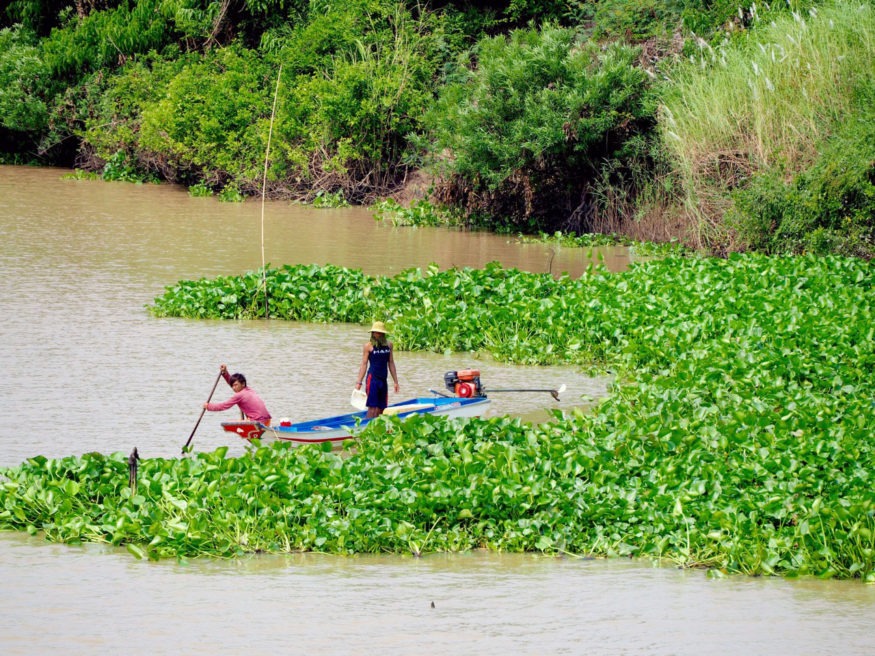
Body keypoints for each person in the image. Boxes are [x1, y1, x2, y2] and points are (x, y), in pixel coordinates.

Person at [355, 321, 399, 418]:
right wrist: (359, 382)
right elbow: (364, 364)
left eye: (379, 333)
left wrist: (396, 381)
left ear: (383, 334)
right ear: (372, 333)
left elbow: (391, 363)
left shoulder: (389, 345)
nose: (377, 335)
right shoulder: (368, 346)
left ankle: (379, 428)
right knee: (372, 407)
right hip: (373, 379)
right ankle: (367, 427)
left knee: (382, 407)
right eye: (375, 332)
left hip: (383, 379)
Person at [203, 364, 272, 425]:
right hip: (267, 421)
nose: (233, 388)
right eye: (232, 386)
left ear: (243, 384)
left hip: (258, 423)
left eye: (236, 385)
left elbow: (223, 406)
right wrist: (225, 373)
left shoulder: (239, 395)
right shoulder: (248, 390)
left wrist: (208, 406)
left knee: (229, 424)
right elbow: (233, 382)